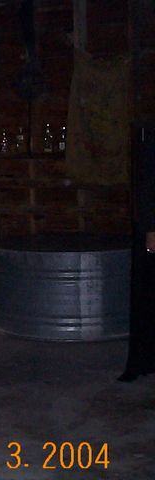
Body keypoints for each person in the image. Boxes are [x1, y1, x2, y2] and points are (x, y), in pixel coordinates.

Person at [119, 123, 155, 382]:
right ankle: (143, 361)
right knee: (147, 295)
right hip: (151, 229)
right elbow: (148, 186)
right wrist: (151, 229)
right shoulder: (150, 135)